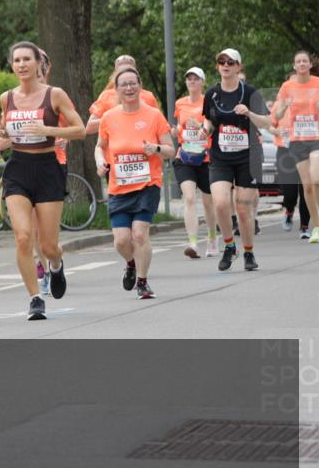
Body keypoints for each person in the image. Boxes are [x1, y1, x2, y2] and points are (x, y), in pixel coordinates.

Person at [0, 41, 84, 320]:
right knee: (22, 237)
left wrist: (48, 129)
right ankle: (34, 298)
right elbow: (4, 142)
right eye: (16, 60)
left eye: (26, 60)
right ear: (12, 65)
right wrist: (0, 135)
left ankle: (56, 264)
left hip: (47, 168)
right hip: (18, 167)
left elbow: (79, 129)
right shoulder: (7, 98)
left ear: (37, 64)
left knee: (48, 245)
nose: (21, 65)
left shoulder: (54, 95)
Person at [95, 67, 175, 299]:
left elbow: (170, 149)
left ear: (140, 86)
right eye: (124, 84)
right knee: (121, 241)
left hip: (147, 183)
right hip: (119, 187)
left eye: (133, 83)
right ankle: (130, 262)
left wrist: (156, 148)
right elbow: (100, 146)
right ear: (117, 89)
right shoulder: (109, 117)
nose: (129, 88)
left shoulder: (153, 115)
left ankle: (142, 281)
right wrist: (101, 162)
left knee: (139, 235)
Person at [200, 49, 273, 271]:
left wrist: (249, 113)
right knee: (221, 203)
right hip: (221, 156)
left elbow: (266, 123)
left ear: (238, 66)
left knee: (243, 208)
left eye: (230, 62)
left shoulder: (250, 92)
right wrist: (204, 130)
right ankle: (230, 246)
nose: (226, 65)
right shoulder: (212, 94)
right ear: (217, 66)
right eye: (221, 61)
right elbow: (210, 121)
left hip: (248, 157)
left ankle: (249, 252)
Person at [272, 50, 319, 243]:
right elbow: (277, 115)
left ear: (309, 65)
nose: (301, 64)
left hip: (316, 137)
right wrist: (285, 105)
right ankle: (316, 227)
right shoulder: (287, 87)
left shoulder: (317, 83)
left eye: (304, 61)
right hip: (297, 140)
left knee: (316, 178)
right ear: (294, 66)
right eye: (298, 61)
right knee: (307, 187)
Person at [172, 66, 219, 258]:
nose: (192, 82)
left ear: (202, 82)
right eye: (189, 79)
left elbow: (214, 127)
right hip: (184, 157)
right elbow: (178, 125)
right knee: (189, 198)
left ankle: (212, 237)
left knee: (208, 203)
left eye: (195, 79)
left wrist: (200, 127)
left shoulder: (209, 102)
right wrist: (176, 131)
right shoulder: (180, 103)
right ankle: (192, 243)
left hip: (206, 158)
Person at [85, 55, 160, 135]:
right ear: (115, 75)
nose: (125, 75)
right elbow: (90, 127)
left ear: (136, 75)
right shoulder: (106, 96)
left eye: (129, 71)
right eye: (121, 72)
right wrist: (116, 118)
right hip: (114, 145)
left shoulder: (148, 96)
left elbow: (159, 125)